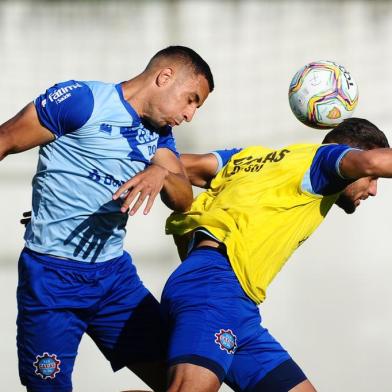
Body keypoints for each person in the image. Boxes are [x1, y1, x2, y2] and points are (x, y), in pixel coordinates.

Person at [0, 45, 213, 392]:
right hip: (51, 279)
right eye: (191, 99)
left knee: (180, 382)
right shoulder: (82, 101)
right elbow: (5, 138)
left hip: (115, 280)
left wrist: (162, 172)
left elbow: (183, 199)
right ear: (165, 77)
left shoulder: (159, 136)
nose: (190, 114)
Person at [161, 118, 390, 392]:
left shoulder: (251, 158)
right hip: (216, 286)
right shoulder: (324, 160)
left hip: (237, 304)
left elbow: (178, 164)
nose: (374, 189)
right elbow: (372, 162)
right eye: (372, 180)